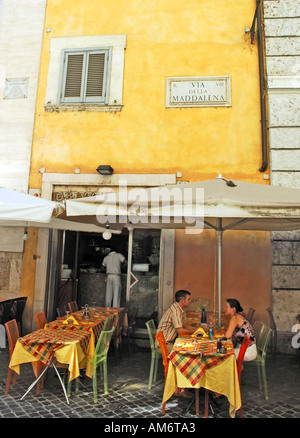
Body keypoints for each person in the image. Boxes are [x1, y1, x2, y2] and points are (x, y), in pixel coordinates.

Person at [156, 289, 195, 399]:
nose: (190, 301)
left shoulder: (180, 310)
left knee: (190, 349)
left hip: (170, 342)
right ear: (182, 300)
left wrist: (198, 329)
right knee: (184, 356)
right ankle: (180, 389)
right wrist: (196, 331)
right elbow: (181, 331)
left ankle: (188, 384)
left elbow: (185, 325)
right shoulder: (176, 311)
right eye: (189, 299)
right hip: (164, 344)